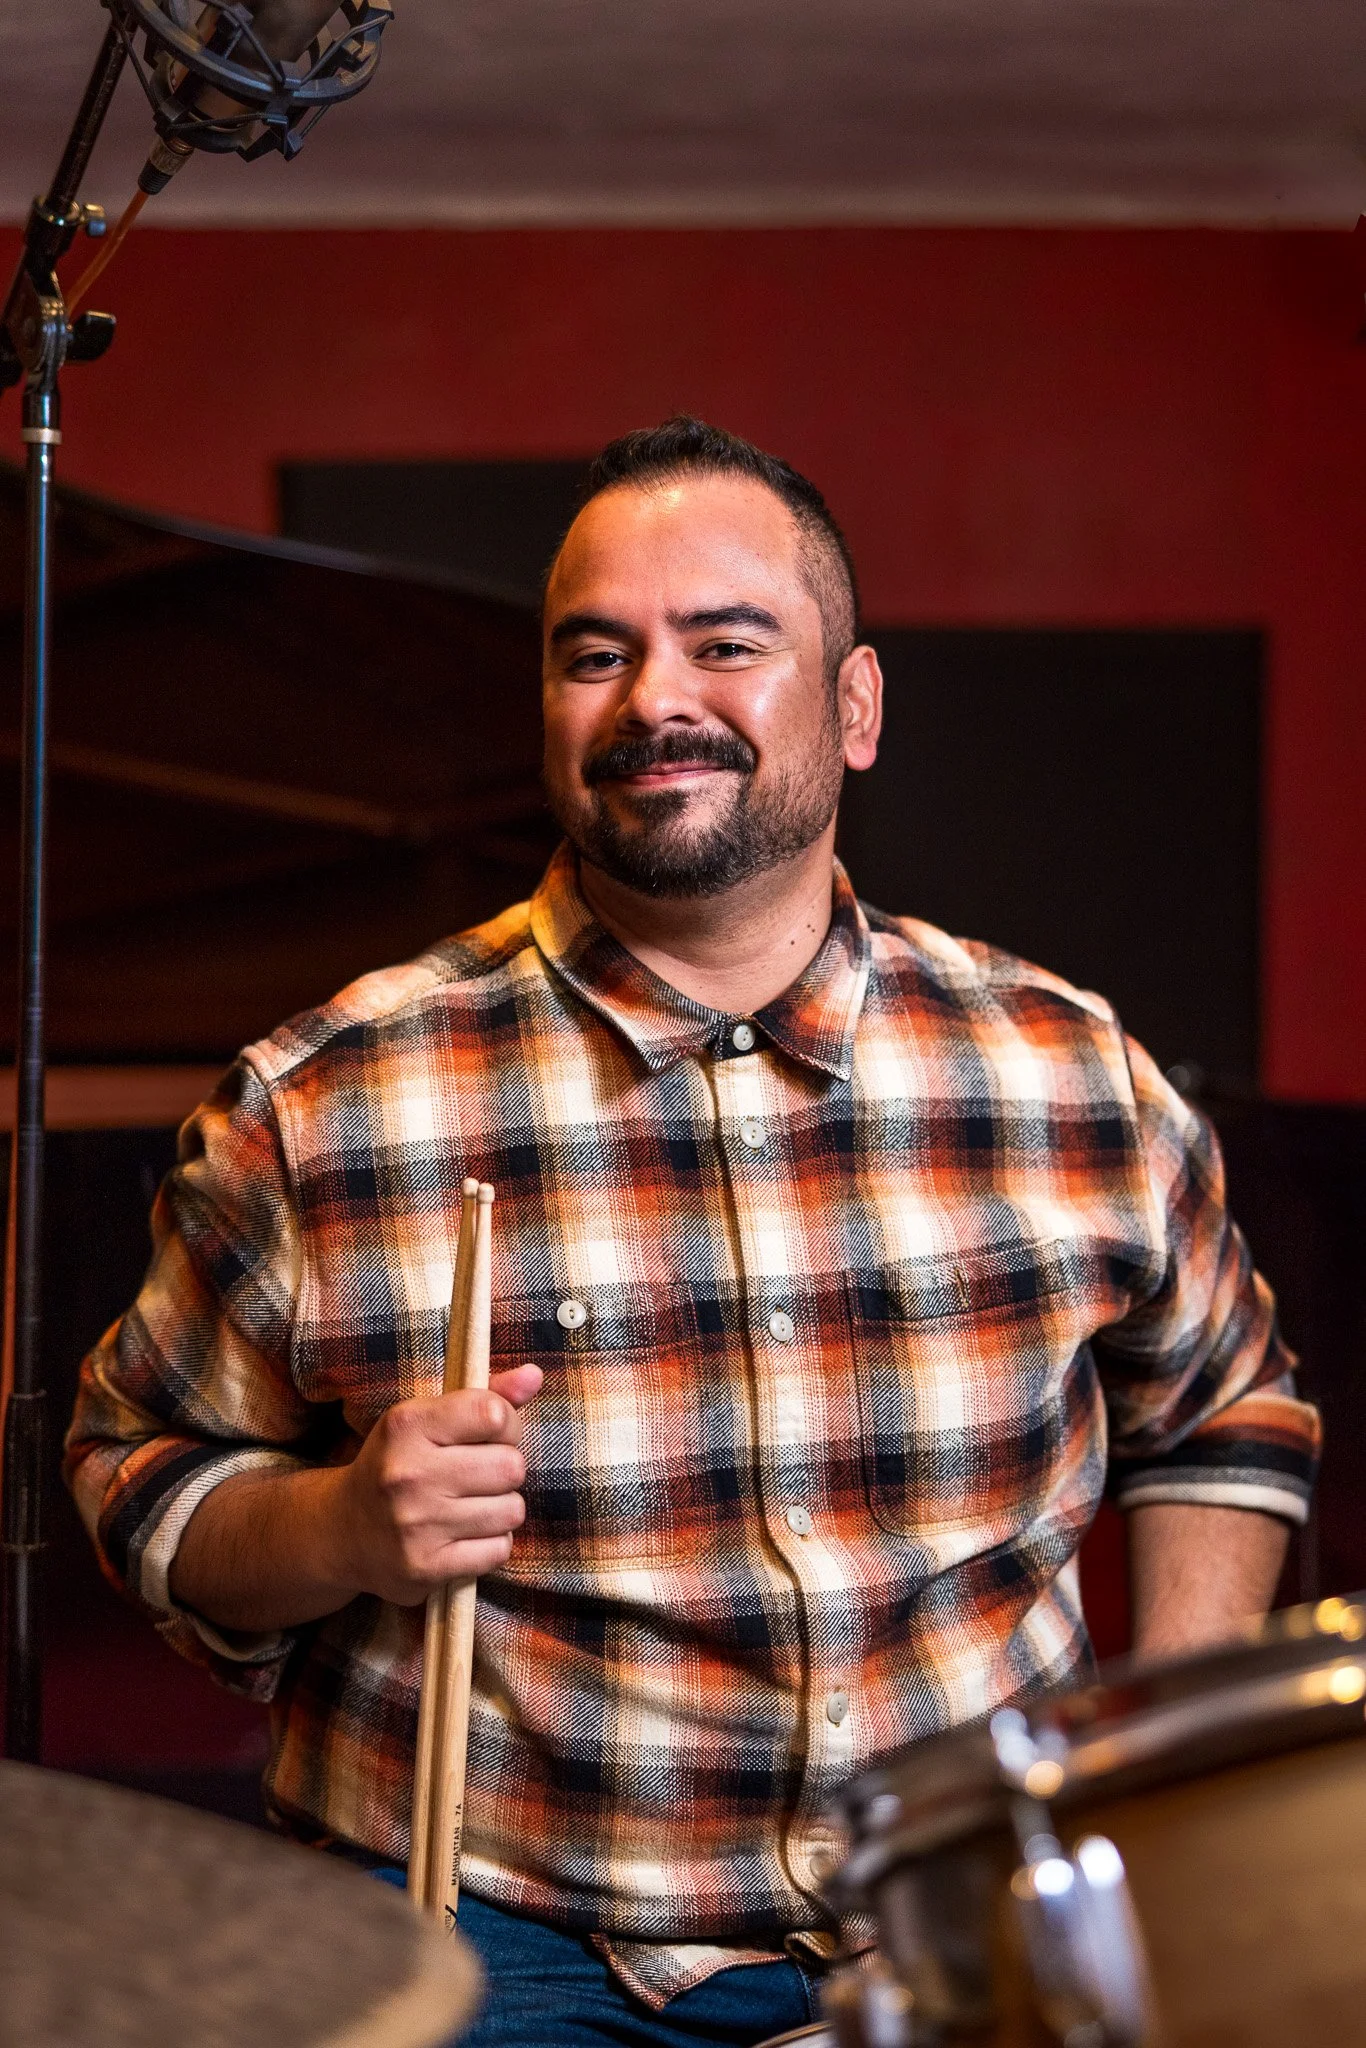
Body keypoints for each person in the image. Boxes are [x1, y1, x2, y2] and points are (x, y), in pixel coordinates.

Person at [67, 417, 1319, 2048]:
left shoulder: (1064, 1070)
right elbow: (135, 1472)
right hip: (499, 1929)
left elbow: (1221, 1408)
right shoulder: (331, 1101)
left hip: (952, 1920)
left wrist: (1154, 1779)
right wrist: (340, 1529)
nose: (656, 697)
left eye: (727, 644)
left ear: (853, 708)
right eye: (598, 653)